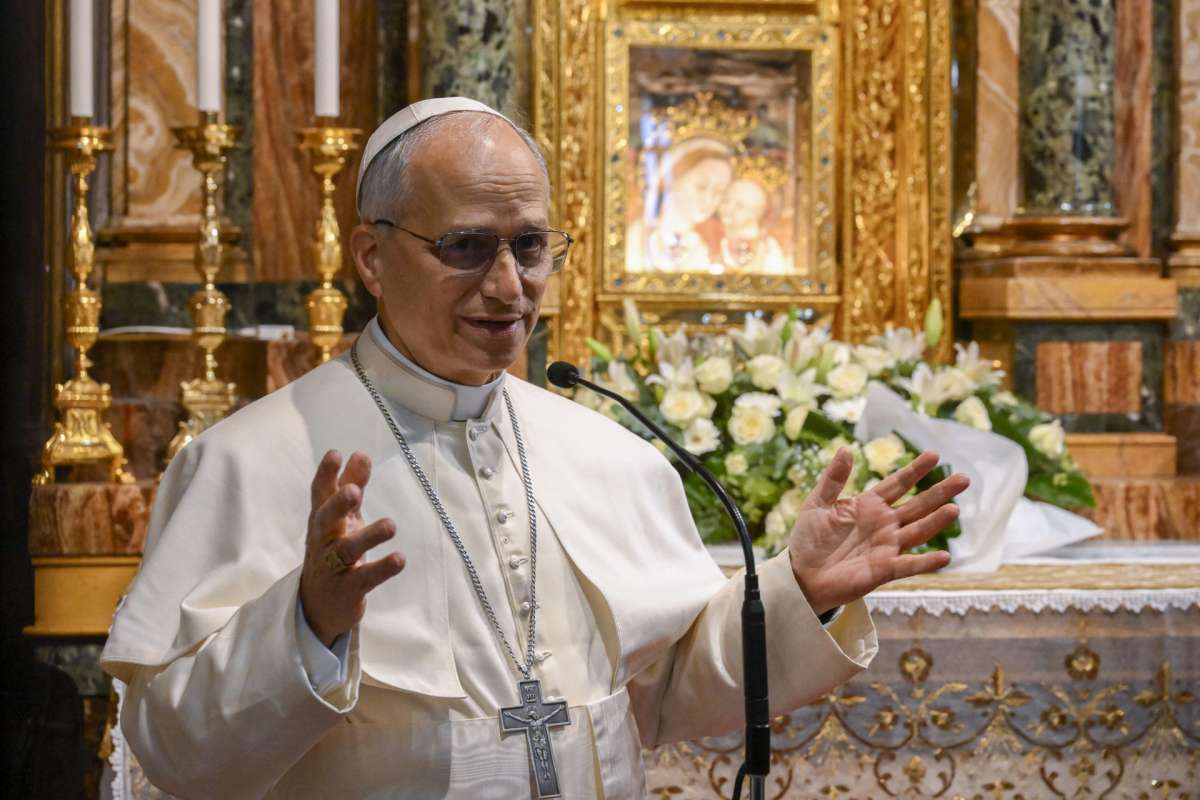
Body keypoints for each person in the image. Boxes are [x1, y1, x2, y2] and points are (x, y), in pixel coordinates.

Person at [100, 97, 968, 799]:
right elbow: (179, 756)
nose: (508, 286)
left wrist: (795, 591)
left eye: (529, 246)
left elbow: (664, 695)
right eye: (466, 247)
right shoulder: (249, 461)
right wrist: (306, 624)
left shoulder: (605, 454)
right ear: (371, 256)